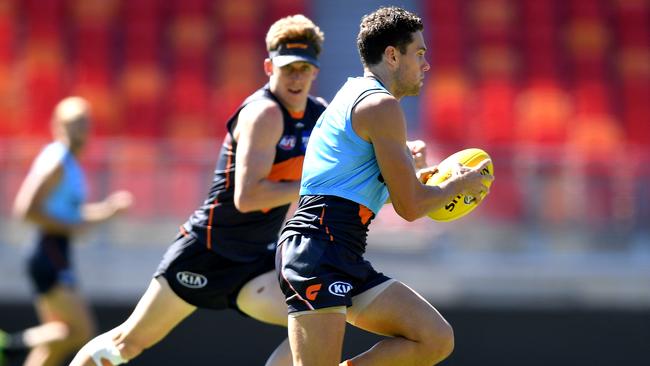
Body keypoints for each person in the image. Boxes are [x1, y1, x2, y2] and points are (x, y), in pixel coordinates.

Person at [69, 14, 326, 366]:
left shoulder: (318, 116)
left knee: (320, 317)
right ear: (269, 66)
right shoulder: (264, 113)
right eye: (288, 68)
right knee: (125, 344)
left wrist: (406, 160)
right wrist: (310, 186)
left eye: (303, 68)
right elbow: (247, 197)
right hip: (207, 250)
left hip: (253, 262)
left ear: (315, 71)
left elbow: (357, 155)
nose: (296, 77)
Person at [275, 7, 494, 366]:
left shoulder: (358, 95)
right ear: (392, 55)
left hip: (340, 249)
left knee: (433, 338)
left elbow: (364, 193)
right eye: (419, 53)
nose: (426, 64)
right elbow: (410, 207)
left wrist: (419, 176)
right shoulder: (380, 105)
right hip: (316, 250)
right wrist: (457, 184)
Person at [0, 96, 133, 366]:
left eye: (85, 122)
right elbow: (26, 209)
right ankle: (11, 344)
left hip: (55, 250)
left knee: (59, 337)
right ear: (58, 125)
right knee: (80, 331)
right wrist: (72, 227)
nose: (81, 129)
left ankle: (12, 346)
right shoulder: (57, 160)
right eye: (74, 123)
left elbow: (73, 217)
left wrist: (107, 211)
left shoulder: (69, 164)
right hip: (48, 250)